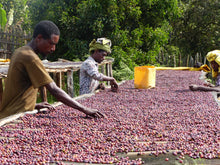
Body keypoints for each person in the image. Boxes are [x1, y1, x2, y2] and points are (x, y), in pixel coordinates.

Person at [0, 20, 103, 119]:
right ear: (39, 38)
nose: (53, 49)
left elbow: (18, 89)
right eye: (51, 43)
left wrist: (33, 105)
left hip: (10, 111)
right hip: (14, 116)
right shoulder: (31, 58)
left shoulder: (20, 51)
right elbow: (53, 89)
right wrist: (85, 109)